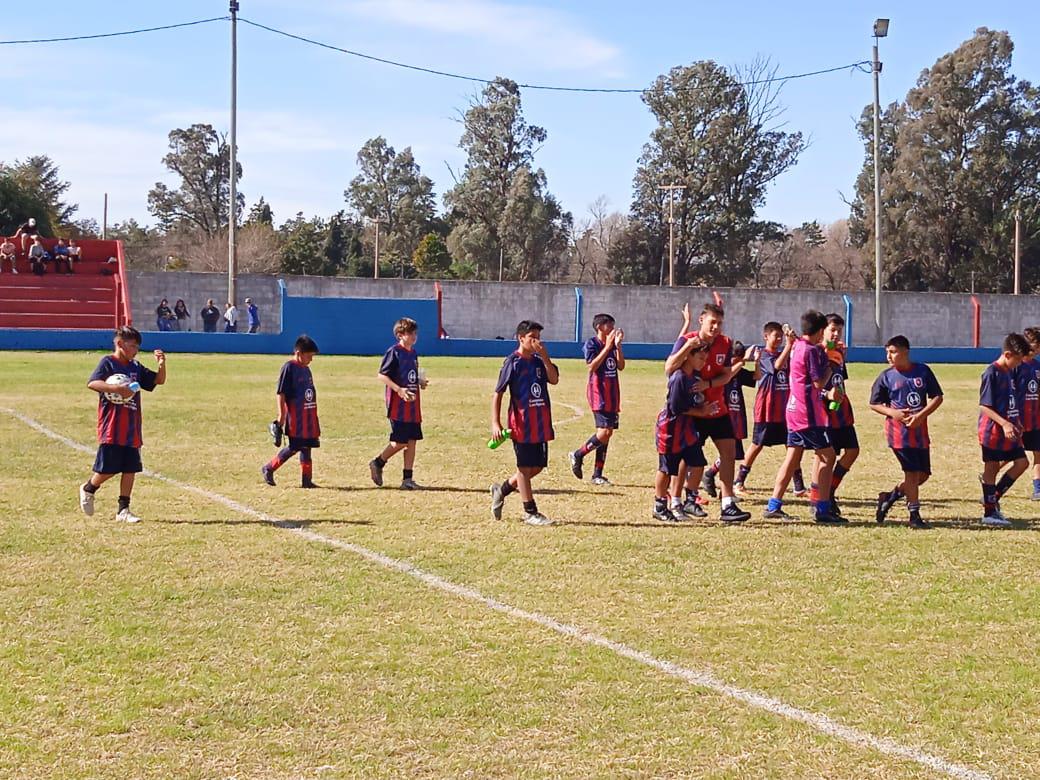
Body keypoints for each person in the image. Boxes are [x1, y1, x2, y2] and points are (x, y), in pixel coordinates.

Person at [664, 303, 752, 522]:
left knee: (729, 452)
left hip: (717, 408)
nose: (716, 327)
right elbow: (669, 368)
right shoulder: (688, 340)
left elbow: (726, 375)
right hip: (693, 411)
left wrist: (708, 384)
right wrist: (687, 347)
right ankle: (676, 500)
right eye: (713, 322)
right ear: (701, 320)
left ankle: (727, 504)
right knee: (686, 457)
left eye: (720, 323)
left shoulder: (725, 343)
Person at [79, 326, 166, 523]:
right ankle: (89, 488)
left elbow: (157, 381)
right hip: (112, 426)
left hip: (132, 426)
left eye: (137, 347)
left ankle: (123, 510)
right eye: (133, 346)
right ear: (120, 344)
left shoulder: (135, 366)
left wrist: (161, 364)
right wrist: (116, 389)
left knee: (130, 468)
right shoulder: (108, 363)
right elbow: (93, 383)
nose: (136, 350)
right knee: (108, 468)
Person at [763, 310, 842, 524]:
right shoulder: (812, 350)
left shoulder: (798, 345)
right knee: (828, 456)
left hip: (793, 409)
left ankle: (773, 505)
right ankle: (822, 509)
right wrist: (832, 363)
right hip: (808, 414)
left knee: (792, 458)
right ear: (820, 331)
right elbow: (818, 382)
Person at [868, 335, 945, 528]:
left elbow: (937, 397)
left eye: (893, 352)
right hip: (899, 435)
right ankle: (914, 516)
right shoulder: (886, 376)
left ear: (905, 352)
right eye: (887, 352)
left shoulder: (922, 371)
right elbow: (874, 403)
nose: (888, 356)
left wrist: (921, 416)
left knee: (922, 476)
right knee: (911, 473)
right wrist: (893, 413)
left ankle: (889, 497)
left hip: (920, 433)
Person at [489, 320, 560, 526]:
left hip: (541, 423)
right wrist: (496, 423)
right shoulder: (513, 362)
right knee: (524, 468)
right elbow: (498, 393)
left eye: (539, 337)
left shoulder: (539, 361)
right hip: (521, 424)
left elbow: (554, 379)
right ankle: (530, 512)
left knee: (536, 467)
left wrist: (545, 356)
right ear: (521, 338)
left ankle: (502, 489)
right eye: (532, 337)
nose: (537, 341)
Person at [654, 343, 717, 521]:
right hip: (671, 429)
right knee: (666, 469)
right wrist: (701, 412)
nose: (703, 362)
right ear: (689, 356)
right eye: (701, 358)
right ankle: (659, 506)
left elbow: (693, 399)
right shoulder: (679, 377)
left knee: (698, 463)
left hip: (687, 429)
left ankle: (690, 500)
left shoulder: (694, 376)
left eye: (705, 359)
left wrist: (702, 401)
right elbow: (675, 408)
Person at [739, 322, 805, 492]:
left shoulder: (785, 354)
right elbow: (776, 366)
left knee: (792, 446)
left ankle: (799, 486)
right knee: (757, 444)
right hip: (767, 409)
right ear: (766, 337)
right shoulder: (763, 355)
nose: (779, 339)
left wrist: (794, 340)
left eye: (781, 337)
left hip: (784, 410)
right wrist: (788, 346)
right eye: (776, 336)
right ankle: (739, 481)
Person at [977, 333, 1031, 527]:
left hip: (1009, 429)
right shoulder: (992, 373)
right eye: (1018, 359)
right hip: (992, 431)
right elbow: (985, 406)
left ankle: (992, 498)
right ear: (1008, 354)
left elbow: (1009, 400)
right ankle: (989, 513)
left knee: (1022, 463)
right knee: (991, 468)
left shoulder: (1009, 372)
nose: (1019, 363)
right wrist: (1004, 423)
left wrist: (1016, 421)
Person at [369, 317, 429, 490]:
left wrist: (419, 382)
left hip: (413, 406)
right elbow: (382, 375)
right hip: (399, 407)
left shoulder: (413, 353)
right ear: (400, 335)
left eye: (415, 333)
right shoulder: (394, 352)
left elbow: (410, 375)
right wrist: (399, 390)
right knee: (400, 441)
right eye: (410, 333)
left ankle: (407, 479)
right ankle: (378, 462)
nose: (414, 336)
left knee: (412, 441)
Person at [569, 313, 625, 486]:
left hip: (613, 394)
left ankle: (597, 474)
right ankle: (578, 454)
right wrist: (607, 348)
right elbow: (591, 366)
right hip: (599, 394)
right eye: (610, 326)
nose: (613, 329)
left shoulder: (612, 345)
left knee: (607, 434)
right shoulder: (592, 344)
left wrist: (618, 347)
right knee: (605, 432)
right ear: (600, 327)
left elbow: (621, 366)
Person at [261, 335, 321, 488]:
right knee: (295, 446)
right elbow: (281, 393)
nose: (311, 359)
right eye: (309, 356)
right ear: (299, 353)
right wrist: (281, 415)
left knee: (307, 446)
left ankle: (307, 480)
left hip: (308, 416)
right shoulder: (289, 368)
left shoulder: (306, 370)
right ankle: (269, 468)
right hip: (296, 418)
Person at [702, 340, 758, 497]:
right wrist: (743, 361)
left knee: (733, 454)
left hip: (736, 416)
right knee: (729, 454)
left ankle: (712, 475)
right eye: (735, 358)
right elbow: (727, 376)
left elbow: (755, 377)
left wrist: (757, 360)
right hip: (724, 416)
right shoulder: (722, 371)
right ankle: (722, 489)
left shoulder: (738, 371)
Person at [820, 313, 859, 516]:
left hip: (841, 411)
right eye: (832, 330)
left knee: (852, 451)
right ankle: (820, 499)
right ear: (823, 331)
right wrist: (826, 395)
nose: (836, 334)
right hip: (824, 411)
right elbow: (809, 384)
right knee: (826, 456)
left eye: (839, 331)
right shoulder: (817, 352)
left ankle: (830, 490)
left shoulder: (838, 352)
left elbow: (839, 379)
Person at [1015, 327, 1040, 500]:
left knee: (1038, 452)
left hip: (1035, 419)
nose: (1036, 349)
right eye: (1035, 345)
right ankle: (989, 478)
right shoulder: (1016, 365)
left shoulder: (1037, 366)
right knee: (1011, 455)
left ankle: (1038, 489)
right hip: (1018, 419)